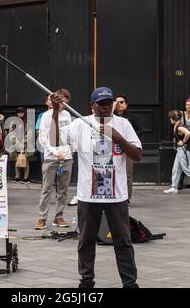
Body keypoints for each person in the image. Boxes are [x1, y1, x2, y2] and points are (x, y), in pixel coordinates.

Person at [50, 86, 141, 288]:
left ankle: (130, 282)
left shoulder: (123, 124)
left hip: (116, 196)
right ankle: (86, 280)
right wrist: (56, 113)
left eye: (109, 103)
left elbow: (137, 155)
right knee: (86, 241)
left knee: (123, 242)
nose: (106, 107)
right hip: (88, 195)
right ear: (92, 106)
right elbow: (54, 140)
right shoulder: (80, 124)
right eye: (101, 104)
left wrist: (117, 137)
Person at [35, 89, 73, 230]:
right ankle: (42, 218)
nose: (63, 104)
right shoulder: (46, 116)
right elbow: (43, 138)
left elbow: (69, 135)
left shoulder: (67, 115)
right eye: (61, 101)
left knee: (63, 189)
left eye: (66, 102)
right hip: (51, 157)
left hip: (66, 157)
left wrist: (70, 149)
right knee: (47, 188)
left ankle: (58, 217)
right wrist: (54, 151)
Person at [114, 94, 143, 201]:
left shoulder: (130, 117)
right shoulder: (111, 116)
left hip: (128, 149)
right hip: (114, 150)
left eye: (121, 102)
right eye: (116, 102)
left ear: (126, 104)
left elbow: (140, 130)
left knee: (128, 175)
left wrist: (130, 140)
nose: (119, 104)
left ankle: (127, 199)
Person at [8, 106, 34, 183]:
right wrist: (17, 143)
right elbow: (11, 133)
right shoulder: (13, 122)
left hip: (25, 144)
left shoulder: (28, 122)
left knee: (26, 159)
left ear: (24, 113)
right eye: (18, 112)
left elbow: (30, 134)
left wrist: (23, 142)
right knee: (17, 159)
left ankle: (26, 177)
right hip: (15, 144)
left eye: (21, 112)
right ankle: (17, 176)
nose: (20, 114)